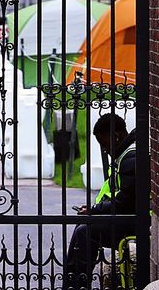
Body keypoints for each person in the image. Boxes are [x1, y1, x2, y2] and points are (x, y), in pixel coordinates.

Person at [63, 113, 138, 290]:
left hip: (136, 221)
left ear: (116, 136)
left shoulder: (130, 158)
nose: (105, 150)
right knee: (83, 225)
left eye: (104, 144)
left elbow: (126, 203)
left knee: (85, 232)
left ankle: (77, 285)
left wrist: (95, 210)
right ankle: (75, 282)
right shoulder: (126, 155)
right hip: (129, 216)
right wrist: (94, 210)